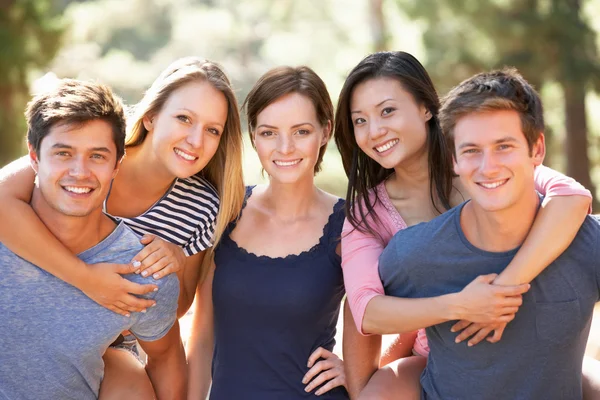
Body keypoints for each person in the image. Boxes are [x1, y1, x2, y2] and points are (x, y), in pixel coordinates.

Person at [334, 52, 593, 399]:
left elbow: (572, 197)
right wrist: (463, 306)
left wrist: (501, 293)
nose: (375, 130)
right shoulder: (368, 215)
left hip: (525, 341)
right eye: (360, 120)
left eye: (387, 111)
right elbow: (364, 309)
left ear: (427, 108)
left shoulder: (483, 166)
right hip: (431, 355)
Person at [0, 58, 244, 398]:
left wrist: (170, 260)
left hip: (115, 341)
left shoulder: (201, 205)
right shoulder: (87, 152)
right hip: (63, 312)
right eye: (184, 118)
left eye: (212, 130)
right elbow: (2, 203)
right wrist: (86, 279)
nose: (195, 140)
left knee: (126, 374)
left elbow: (169, 311)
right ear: (151, 116)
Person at [187, 66, 350, 399]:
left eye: (301, 131)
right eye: (269, 132)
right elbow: (202, 335)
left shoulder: (349, 225)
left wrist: (357, 369)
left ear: (325, 132)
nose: (285, 147)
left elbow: (400, 312)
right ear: (253, 136)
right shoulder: (225, 210)